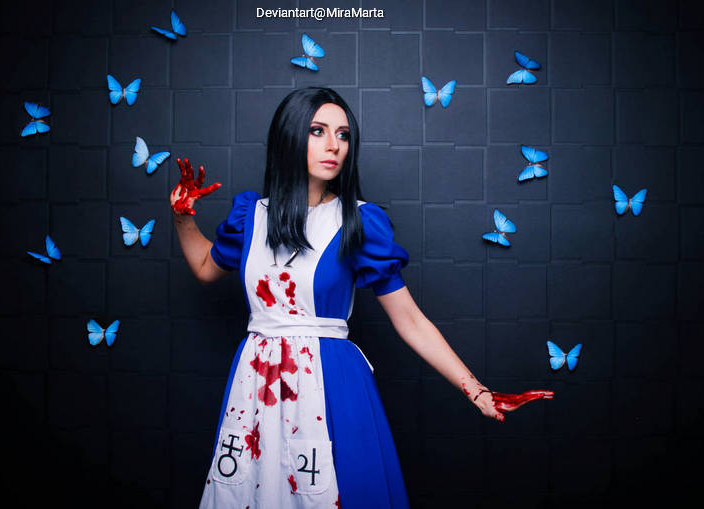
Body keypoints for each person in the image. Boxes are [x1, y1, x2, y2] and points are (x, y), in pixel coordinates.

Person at [171, 87, 552, 508]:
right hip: (256, 381)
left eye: (344, 134)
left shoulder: (358, 221)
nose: (334, 145)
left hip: (329, 380)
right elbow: (207, 268)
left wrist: (476, 390)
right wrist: (183, 217)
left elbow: (410, 320)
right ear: (289, 135)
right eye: (318, 131)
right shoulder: (250, 215)